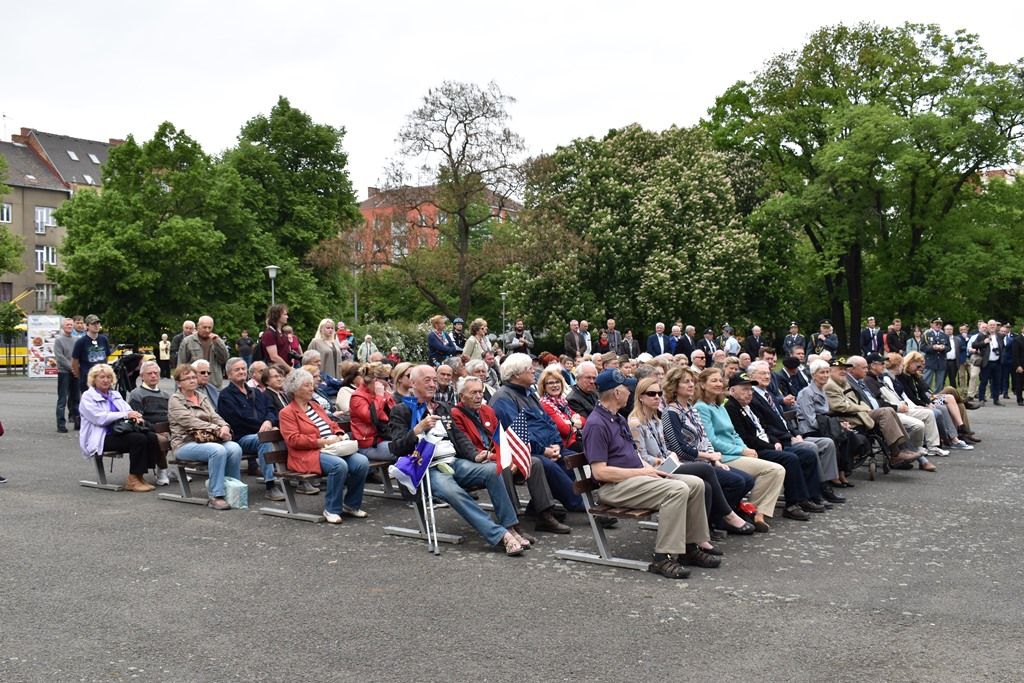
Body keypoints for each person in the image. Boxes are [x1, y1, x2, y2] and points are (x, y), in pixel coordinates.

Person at [582, 368, 716, 579]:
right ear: (617, 393)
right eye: (627, 388)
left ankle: (689, 547)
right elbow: (600, 473)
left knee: (696, 483)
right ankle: (662, 557)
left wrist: (651, 469)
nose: (630, 392)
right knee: (677, 489)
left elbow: (633, 455)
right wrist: (641, 472)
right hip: (615, 487)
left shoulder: (616, 418)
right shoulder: (597, 424)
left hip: (634, 479)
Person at [388, 365, 530, 554]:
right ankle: (500, 535)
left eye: (434, 380)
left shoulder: (442, 407)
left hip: (454, 462)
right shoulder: (402, 410)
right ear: (413, 383)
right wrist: (417, 430)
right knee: (452, 492)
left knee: (493, 470)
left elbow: (459, 437)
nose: (432, 384)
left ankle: (510, 527)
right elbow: (396, 448)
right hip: (427, 469)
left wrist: (475, 455)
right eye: (427, 380)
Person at [638, 372, 757, 536]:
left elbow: (704, 438)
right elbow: (679, 449)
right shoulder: (670, 413)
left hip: (694, 461)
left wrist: (714, 459)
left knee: (747, 479)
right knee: (732, 481)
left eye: (692, 381)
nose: (691, 385)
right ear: (675, 387)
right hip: (682, 462)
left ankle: (717, 518)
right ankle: (723, 517)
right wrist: (708, 457)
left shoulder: (691, 409)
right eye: (686, 382)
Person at [451, 376, 570, 535]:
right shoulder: (456, 414)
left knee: (535, 462)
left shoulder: (487, 410)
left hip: (496, 455)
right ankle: (513, 520)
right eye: (473, 393)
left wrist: (510, 456)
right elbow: (468, 448)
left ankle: (544, 514)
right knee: (504, 467)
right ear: (461, 396)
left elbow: (501, 438)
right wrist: (504, 458)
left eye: (480, 392)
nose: (479, 396)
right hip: (476, 460)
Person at [490, 353, 587, 517]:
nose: (534, 370)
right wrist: (544, 450)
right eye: (529, 368)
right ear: (516, 374)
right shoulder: (503, 398)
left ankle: (538, 507)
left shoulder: (529, 394)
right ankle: (579, 503)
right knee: (548, 465)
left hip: (548, 447)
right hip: (525, 452)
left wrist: (557, 445)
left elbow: (548, 423)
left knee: (576, 458)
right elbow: (517, 434)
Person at [693, 367, 786, 532]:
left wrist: (746, 448)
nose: (718, 384)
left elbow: (734, 434)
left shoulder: (720, 406)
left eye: (720, 380)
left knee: (776, 469)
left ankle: (756, 513)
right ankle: (752, 511)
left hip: (736, 451)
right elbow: (711, 440)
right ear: (702, 384)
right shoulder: (702, 408)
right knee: (774, 470)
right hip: (723, 456)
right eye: (713, 381)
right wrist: (741, 451)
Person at [723, 372, 825, 520]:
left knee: (807, 454)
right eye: (744, 389)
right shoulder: (731, 408)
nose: (749, 393)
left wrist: (775, 441)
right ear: (732, 390)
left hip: (767, 444)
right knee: (790, 459)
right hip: (754, 450)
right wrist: (770, 446)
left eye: (750, 389)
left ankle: (809, 496)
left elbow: (764, 428)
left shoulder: (748, 406)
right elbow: (746, 438)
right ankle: (792, 504)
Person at [278, 368, 370, 524]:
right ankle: (332, 509)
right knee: (338, 466)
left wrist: (339, 434)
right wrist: (321, 441)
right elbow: (293, 440)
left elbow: (332, 424)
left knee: (362, 462)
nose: (312, 388)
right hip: (307, 454)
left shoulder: (315, 406)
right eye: (307, 385)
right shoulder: (287, 413)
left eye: (311, 384)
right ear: (295, 389)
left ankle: (351, 504)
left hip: (331, 449)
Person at [746, 361, 842, 505]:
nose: (767, 376)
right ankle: (816, 490)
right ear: (751, 376)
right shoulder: (752, 398)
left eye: (768, 373)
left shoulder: (768, 394)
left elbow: (784, 420)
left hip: (790, 435)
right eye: (762, 373)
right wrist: (790, 437)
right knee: (809, 449)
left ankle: (821, 487)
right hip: (777, 440)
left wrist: (796, 433)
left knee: (827, 443)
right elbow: (766, 427)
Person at [167, 364, 242, 509]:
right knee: (217, 450)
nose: (192, 380)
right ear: (178, 383)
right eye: (187, 378)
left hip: (207, 439)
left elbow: (214, 416)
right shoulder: (175, 400)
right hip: (184, 443)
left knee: (234, 448)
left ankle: (233, 490)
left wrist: (225, 426)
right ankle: (216, 495)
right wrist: (217, 429)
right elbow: (190, 421)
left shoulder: (202, 397)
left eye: (194, 377)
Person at [79, 363, 161, 492]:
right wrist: (125, 414)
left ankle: (139, 476)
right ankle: (133, 480)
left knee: (150, 436)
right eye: (102, 377)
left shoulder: (114, 394)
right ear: (94, 379)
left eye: (108, 377)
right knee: (137, 439)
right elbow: (99, 418)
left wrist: (136, 417)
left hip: (119, 431)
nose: (106, 380)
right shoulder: (88, 397)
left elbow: (128, 410)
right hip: (100, 437)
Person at [824, 357, 920, 464]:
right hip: (849, 417)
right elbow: (839, 406)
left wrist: (863, 407)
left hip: (859, 413)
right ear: (830, 370)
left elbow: (857, 400)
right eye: (840, 369)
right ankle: (895, 453)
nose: (843, 371)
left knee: (889, 410)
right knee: (885, 412)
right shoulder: (830, 385)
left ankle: (903, 448)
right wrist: (863, 408)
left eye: (844, 369)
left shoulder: (843, 382)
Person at [217, 357, 286, 502]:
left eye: (243, 368)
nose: (241, 371)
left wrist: (268, 421)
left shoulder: (256, 392)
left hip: (261, 433)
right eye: (237, 369)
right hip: (241, 438)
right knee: (264, 439)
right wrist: (262, 427)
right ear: (229, 374)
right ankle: (270, 485)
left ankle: (296, 478)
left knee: (285, 435)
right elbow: (237, 420)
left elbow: (270, 409)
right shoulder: (225, 395)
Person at [795, 359, 856, 488]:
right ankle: (832, 477)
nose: (826, 375)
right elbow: (811, 420)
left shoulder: (822, 390)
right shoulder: (806, 393)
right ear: (813, 375)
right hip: (810, 430)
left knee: (846, 435)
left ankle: (842, 472)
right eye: (822, 372)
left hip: (823, 426)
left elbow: (827, 415)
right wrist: (834, 427)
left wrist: (838, 425)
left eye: (827, 372)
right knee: (835, 437)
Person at [127, 360, 174, 485]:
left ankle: (178, 469)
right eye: (149, 373)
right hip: (148, 429)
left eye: (156, 373)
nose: (153, 376)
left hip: (167, 427)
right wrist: (156, 429)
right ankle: (162, 470)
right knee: (161, 439)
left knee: (184, 435)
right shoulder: (136, 394)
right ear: (142, 376)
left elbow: (171, 415)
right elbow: (138, 418)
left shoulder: (166, 395)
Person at [349, 362, 395, 463]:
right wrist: (380, 397)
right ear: (376, 380)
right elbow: (371, 418)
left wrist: (386, 396)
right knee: (406, 451)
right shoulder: (357, 397)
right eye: (386, 379)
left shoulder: (382, 393)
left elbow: (394, 414)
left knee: (416, 446)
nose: (388, 382)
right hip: (370, 445)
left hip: (386, 438)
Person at [538, 364, 585, 451]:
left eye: (557, 382)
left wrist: (570, 422)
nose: (555, 385)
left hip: (576, 439)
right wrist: (573, 422)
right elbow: (565, 429)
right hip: (564, 446)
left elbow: (584, 420)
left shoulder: (562, 402)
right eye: (550, 383)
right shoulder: (545, 404)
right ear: (544, 386)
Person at [177, 315, 230, 388]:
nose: (207, 330)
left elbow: (224, 359)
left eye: (209, 327)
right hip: (194, 383)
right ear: (198, 326)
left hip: (214, 383)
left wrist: (218, 343)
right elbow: (181, 365)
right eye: (204, 327)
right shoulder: (187, 341)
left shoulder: (217, 340)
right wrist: (180, 386)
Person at [71, 315, 111, 393]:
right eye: (93, 324)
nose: (96, 326)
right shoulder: (81, 342)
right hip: (87, 379)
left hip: (102, 378)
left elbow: (106, 357)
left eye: (98, 323)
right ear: (87, 326)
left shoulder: (104, 339)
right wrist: (80, 374)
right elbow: (74, 361)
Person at [54, 317, 79, 433]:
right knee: (62, 399)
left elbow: (78, 356)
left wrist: (76, 369)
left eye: (71, 324)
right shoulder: (59, 340)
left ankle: (77, 422)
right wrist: (72, 368)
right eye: (67, 324)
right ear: (62, 327)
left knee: (76, 399)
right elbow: (60, 357)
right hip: (64, 372)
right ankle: (61, 424)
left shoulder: (76, 340)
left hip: (75, 373)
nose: (69, 326)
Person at [922, 318, 949, 391]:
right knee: (927, 381)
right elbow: (922, 347)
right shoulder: (927, 334)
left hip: (941, 362)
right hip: (930, 361)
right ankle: (926, 395)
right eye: (936, 324)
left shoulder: (944, 335)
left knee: (939, 383)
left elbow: (949, 347)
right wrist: (933, 347)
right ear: (931, 324)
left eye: (940, 324)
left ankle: (937, 396)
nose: (938, 325)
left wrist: (944, 348)